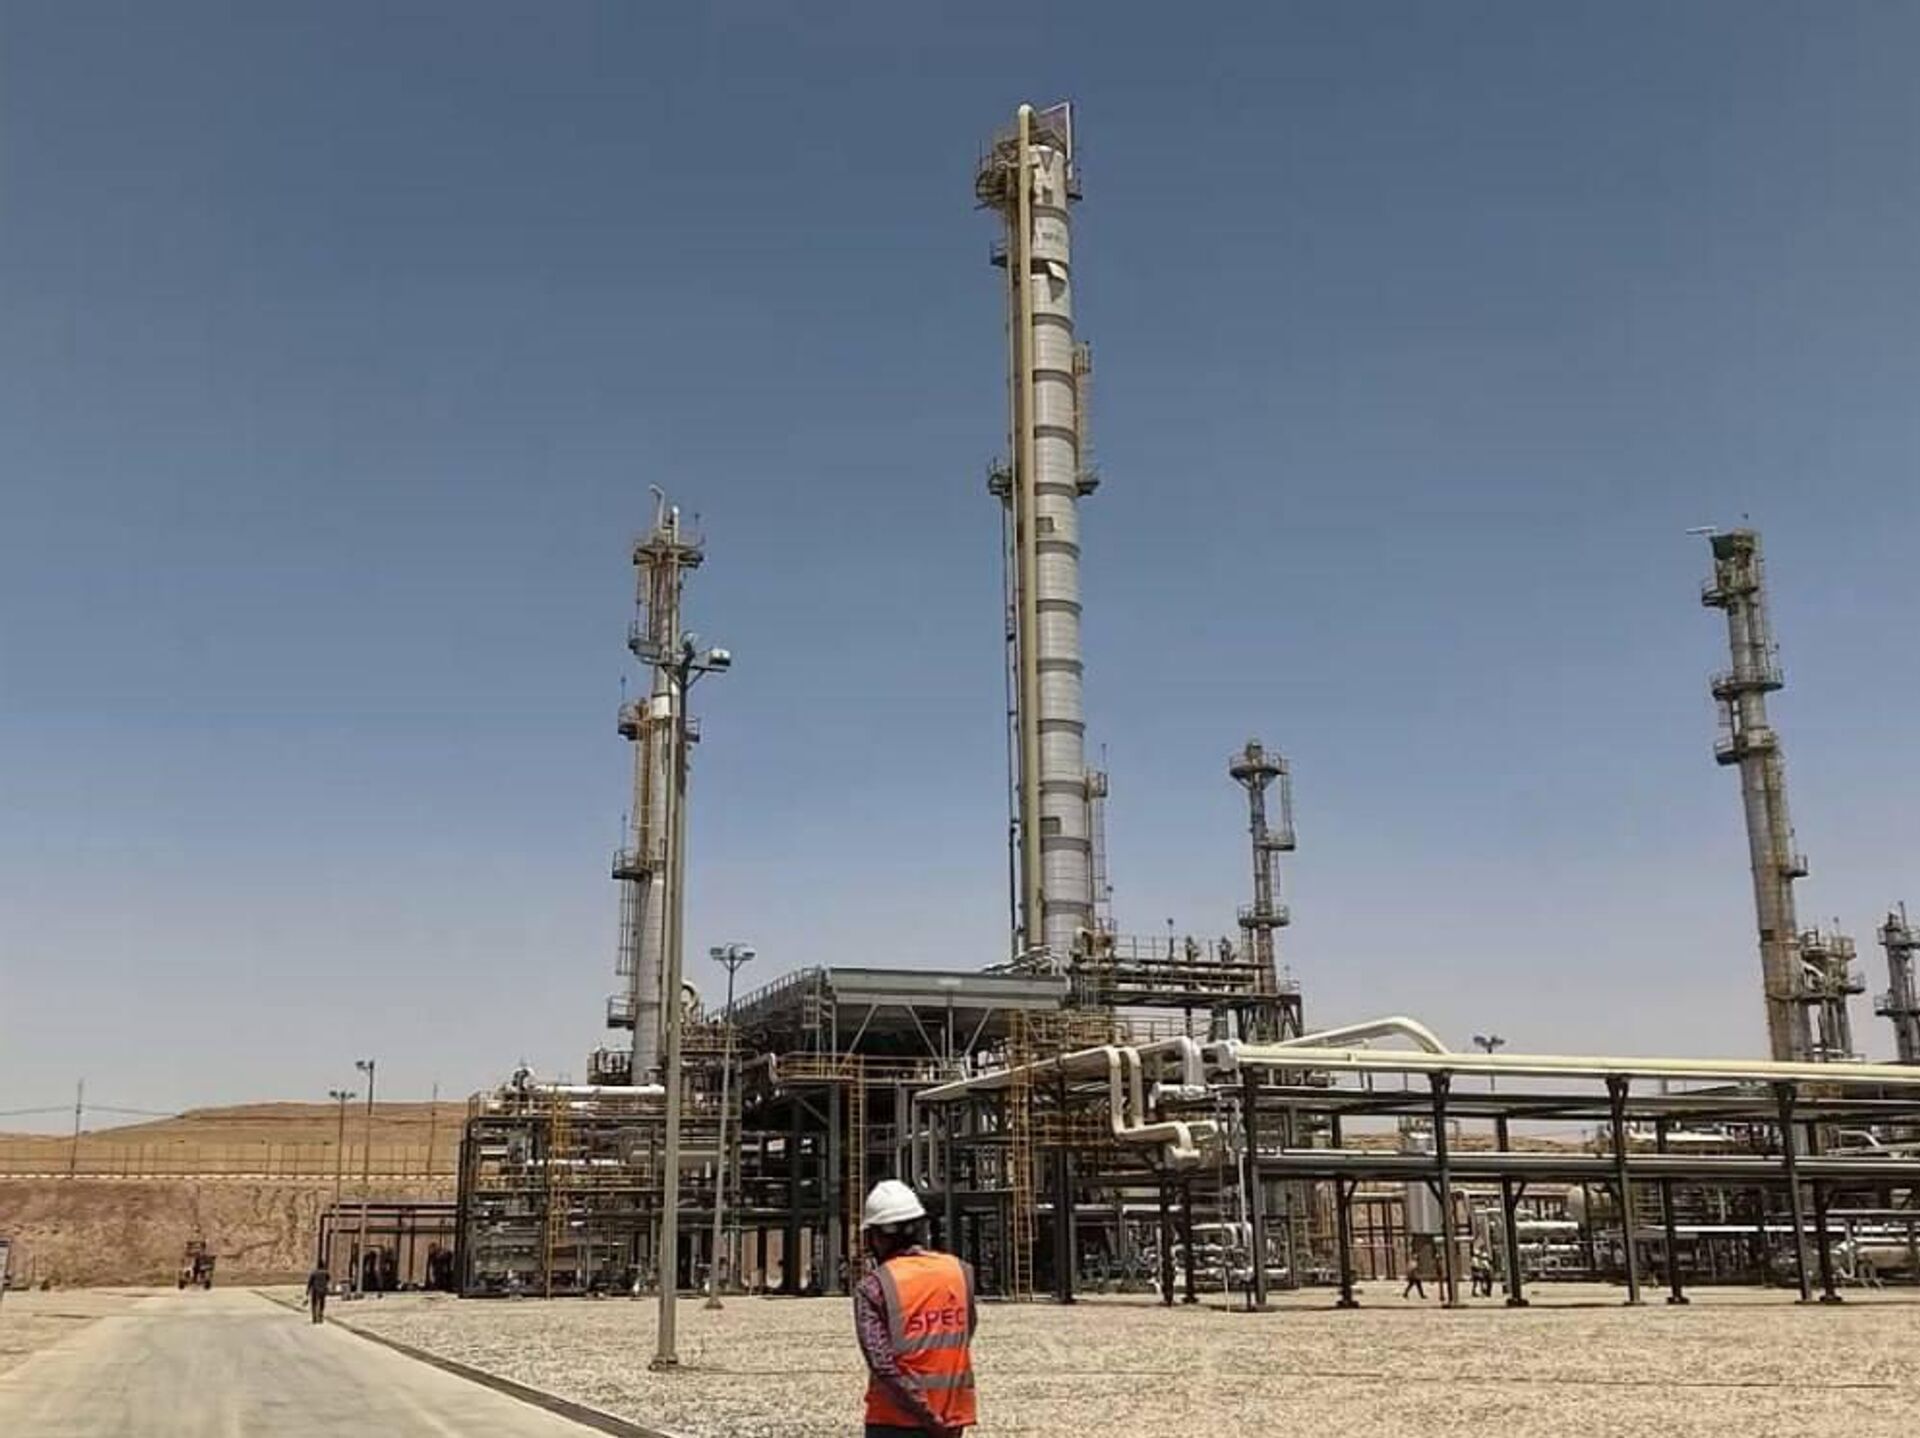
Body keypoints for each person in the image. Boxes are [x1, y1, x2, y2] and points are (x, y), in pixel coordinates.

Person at [853, 1179, 977, 1438]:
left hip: (894, 1421)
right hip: (952, 1417)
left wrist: (926, 1415)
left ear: (875, 1237)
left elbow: (882, 1363)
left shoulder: (874, 1286)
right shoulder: (960, 1272)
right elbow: (966, 1331)